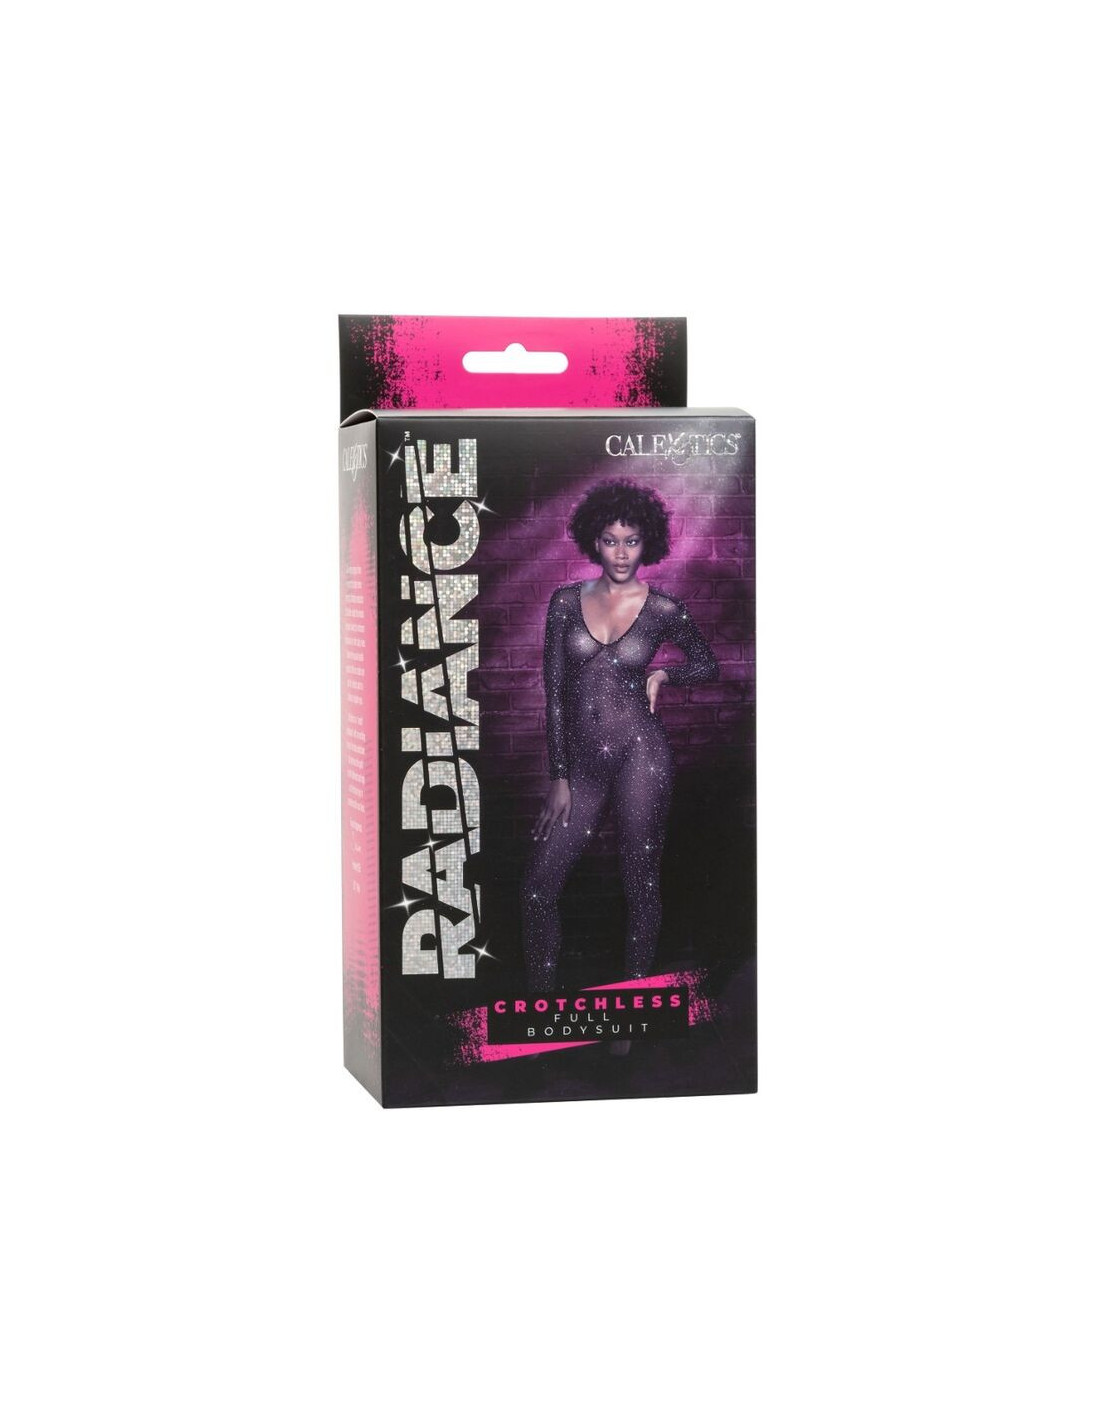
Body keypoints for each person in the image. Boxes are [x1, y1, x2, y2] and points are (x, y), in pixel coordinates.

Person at [522, 478, 718, 994]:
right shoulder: (565, 602)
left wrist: (664, 673)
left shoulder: (663, 609)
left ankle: (634, 1005)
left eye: (632, 541)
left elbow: (708, 663)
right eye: (611, 541)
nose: (622, 553)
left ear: (647, 541)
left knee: (640, 884)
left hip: (641, 757)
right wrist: (559, 776)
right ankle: (541, 1004)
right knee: (539, 888)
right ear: (595, 541)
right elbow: (554, 693)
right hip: (581, 766)